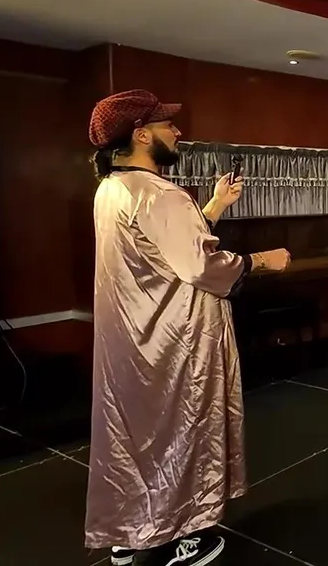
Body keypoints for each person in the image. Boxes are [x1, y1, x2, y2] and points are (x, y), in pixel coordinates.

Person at [84, 90, 291, 566]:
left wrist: (213, 205)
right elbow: (198, 265)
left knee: (135, 435)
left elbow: (164, 249)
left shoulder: (112, 189)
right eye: (167, 125)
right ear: (141, 135)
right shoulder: (161, 194)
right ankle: (186, 537)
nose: (177, 132)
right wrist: (262, 260)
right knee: (183, 431)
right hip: (176, 341)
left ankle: (128, 531)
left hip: (132, 341)